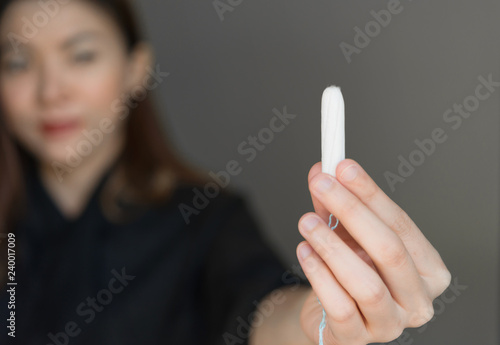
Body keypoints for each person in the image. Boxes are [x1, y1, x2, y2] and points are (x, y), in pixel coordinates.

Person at [0, 0, 451, 344]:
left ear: (136, 70)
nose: (50, 91)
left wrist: (319, 318)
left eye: (81, 55)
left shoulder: (207, 219)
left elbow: (259, 306)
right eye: (17, 62)